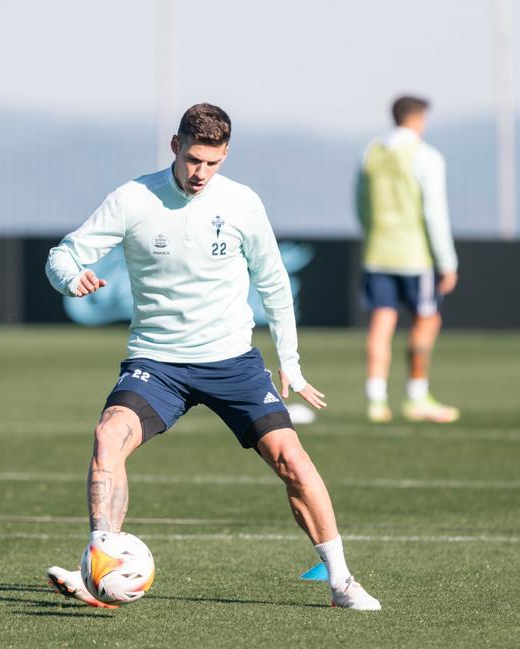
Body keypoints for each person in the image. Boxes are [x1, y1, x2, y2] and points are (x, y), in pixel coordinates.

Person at [43, 103, 380, 611]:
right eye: (194, 159)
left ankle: (342, 581)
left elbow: (273, 281)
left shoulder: (242, 203)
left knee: (291, 458)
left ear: (225, 156)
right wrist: (71, 278)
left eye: (213, 163)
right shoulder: (133, 198)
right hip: (157, 363)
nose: (201, 173)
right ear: (175, 146)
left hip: (234, 363)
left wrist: (289, 361)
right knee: (108, 435)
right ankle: (100, 562)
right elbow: (62, 254)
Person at [356, 95, 460, 424]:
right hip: (415, 255)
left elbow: (360, 203)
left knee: (381, 324)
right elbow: (434, 212)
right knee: (426, 321)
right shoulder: (426, 156)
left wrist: (373, 233)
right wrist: (447, 261)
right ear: (417, 119)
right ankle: (416, 395)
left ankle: (376, 399)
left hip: (377, 252)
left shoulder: (372, 152)